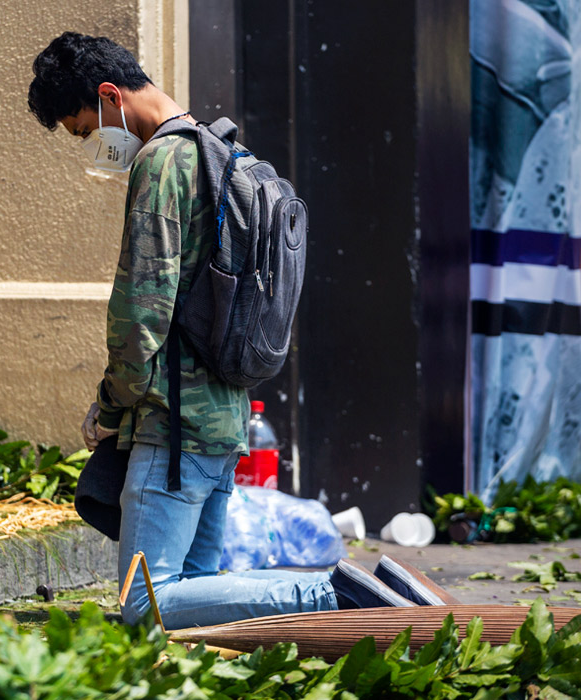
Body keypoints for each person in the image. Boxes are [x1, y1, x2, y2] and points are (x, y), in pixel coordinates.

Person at [27, 32, 448, 628]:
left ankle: (329, 594)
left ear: (108, 96)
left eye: (85, 130)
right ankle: (374, 586)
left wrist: (110, 405)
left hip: (173, 427)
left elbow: (140, 313)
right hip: (224, 420)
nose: (94, 147)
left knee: (144, 606)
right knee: (199, 602)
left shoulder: (161, 162)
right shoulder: (218, 149)